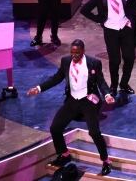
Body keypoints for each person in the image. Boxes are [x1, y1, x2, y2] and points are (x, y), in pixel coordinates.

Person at [26, 39, 114, 176]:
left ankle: (106, 161)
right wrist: (39, 88)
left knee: (94, 132)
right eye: (72, 52)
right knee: (55, 128)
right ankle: (65, 154)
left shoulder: (93, 63)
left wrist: (107, 94)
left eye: (77, 53)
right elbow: (56, 78)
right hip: (72, 100)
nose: (74, 55)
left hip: (88, 101)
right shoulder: (66, 61)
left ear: (83, 51)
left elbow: (100, 81)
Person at [80, 0, 136, 96]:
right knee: (115, 60)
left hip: (125, 29)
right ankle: (113, 86)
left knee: (129, 58)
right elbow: (85, 10)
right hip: (110, 31)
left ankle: (124, 84)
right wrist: (99, 20)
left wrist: (130, 15)